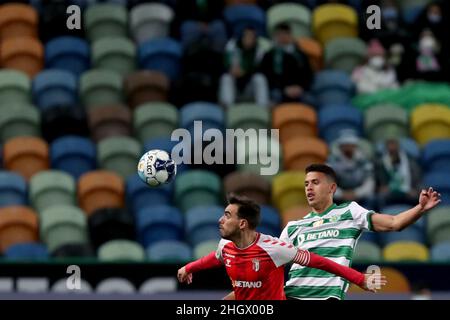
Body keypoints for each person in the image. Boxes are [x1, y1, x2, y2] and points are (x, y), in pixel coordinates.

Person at [177, 194, 386, 300]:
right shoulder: (226, 246)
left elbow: (320, 262)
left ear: (243, 224)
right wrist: (189, 268)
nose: (220, 220)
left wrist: (359, 279)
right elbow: (216, 257)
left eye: (227, 215)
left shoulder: (275, 249)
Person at [280, 163, 440, 300]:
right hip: (292, 295)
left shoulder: (350, 212)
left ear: (332, 188)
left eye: (315, 182)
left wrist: (420, 208)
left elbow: (394, 223)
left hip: (327, 296)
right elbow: (270, 263)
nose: (309, 188)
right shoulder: (293, 227)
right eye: (306, 184)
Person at [259, 23, 313, 104]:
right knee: (274, 97)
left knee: (311, 101)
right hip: (279, 90)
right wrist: (284, 89)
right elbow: (267, 76)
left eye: (285, 34)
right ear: (275, 36)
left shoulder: (300, 54)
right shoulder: (269, 55)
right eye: (280, 34)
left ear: (290, 35)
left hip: (299, 90)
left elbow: (308, 74)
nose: (283, 37)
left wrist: (300, 88)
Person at [219, 26, 270, 108]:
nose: (248, 39)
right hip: (234, 88)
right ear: (242, 37)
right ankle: (227, 108)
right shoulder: (232, 45)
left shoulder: (260, 50)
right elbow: (225, 64)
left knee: (260, 78)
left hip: (250, 89)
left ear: (255, 38)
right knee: (226, 77)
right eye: (246, 36)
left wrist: (245, 71)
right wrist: (230, 69)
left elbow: (261, 69)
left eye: (251, 37)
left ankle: (263, 107)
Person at [327, 131, 376, 208]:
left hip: (359, 196)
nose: (348, 147)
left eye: (350, 145)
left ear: (355, 146)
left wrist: (356, 193)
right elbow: (327, 183)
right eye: (345, 145)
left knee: (372, 199)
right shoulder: (331, 162)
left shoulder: (364, 161)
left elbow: (370, 182)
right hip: (338, 197)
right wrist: (342, 194)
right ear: (340, 146)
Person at [375, 138, 422, 208]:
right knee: (378, 199)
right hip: (389, 192)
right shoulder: (380, 163)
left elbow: (418, 179)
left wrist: (416, 190)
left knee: (419, 197)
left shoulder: (410, 162)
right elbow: (378, 181)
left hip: (408, 191)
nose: (392, 150)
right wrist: (380, 188)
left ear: (398, 147)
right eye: (390, 150)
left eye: (394, 147)